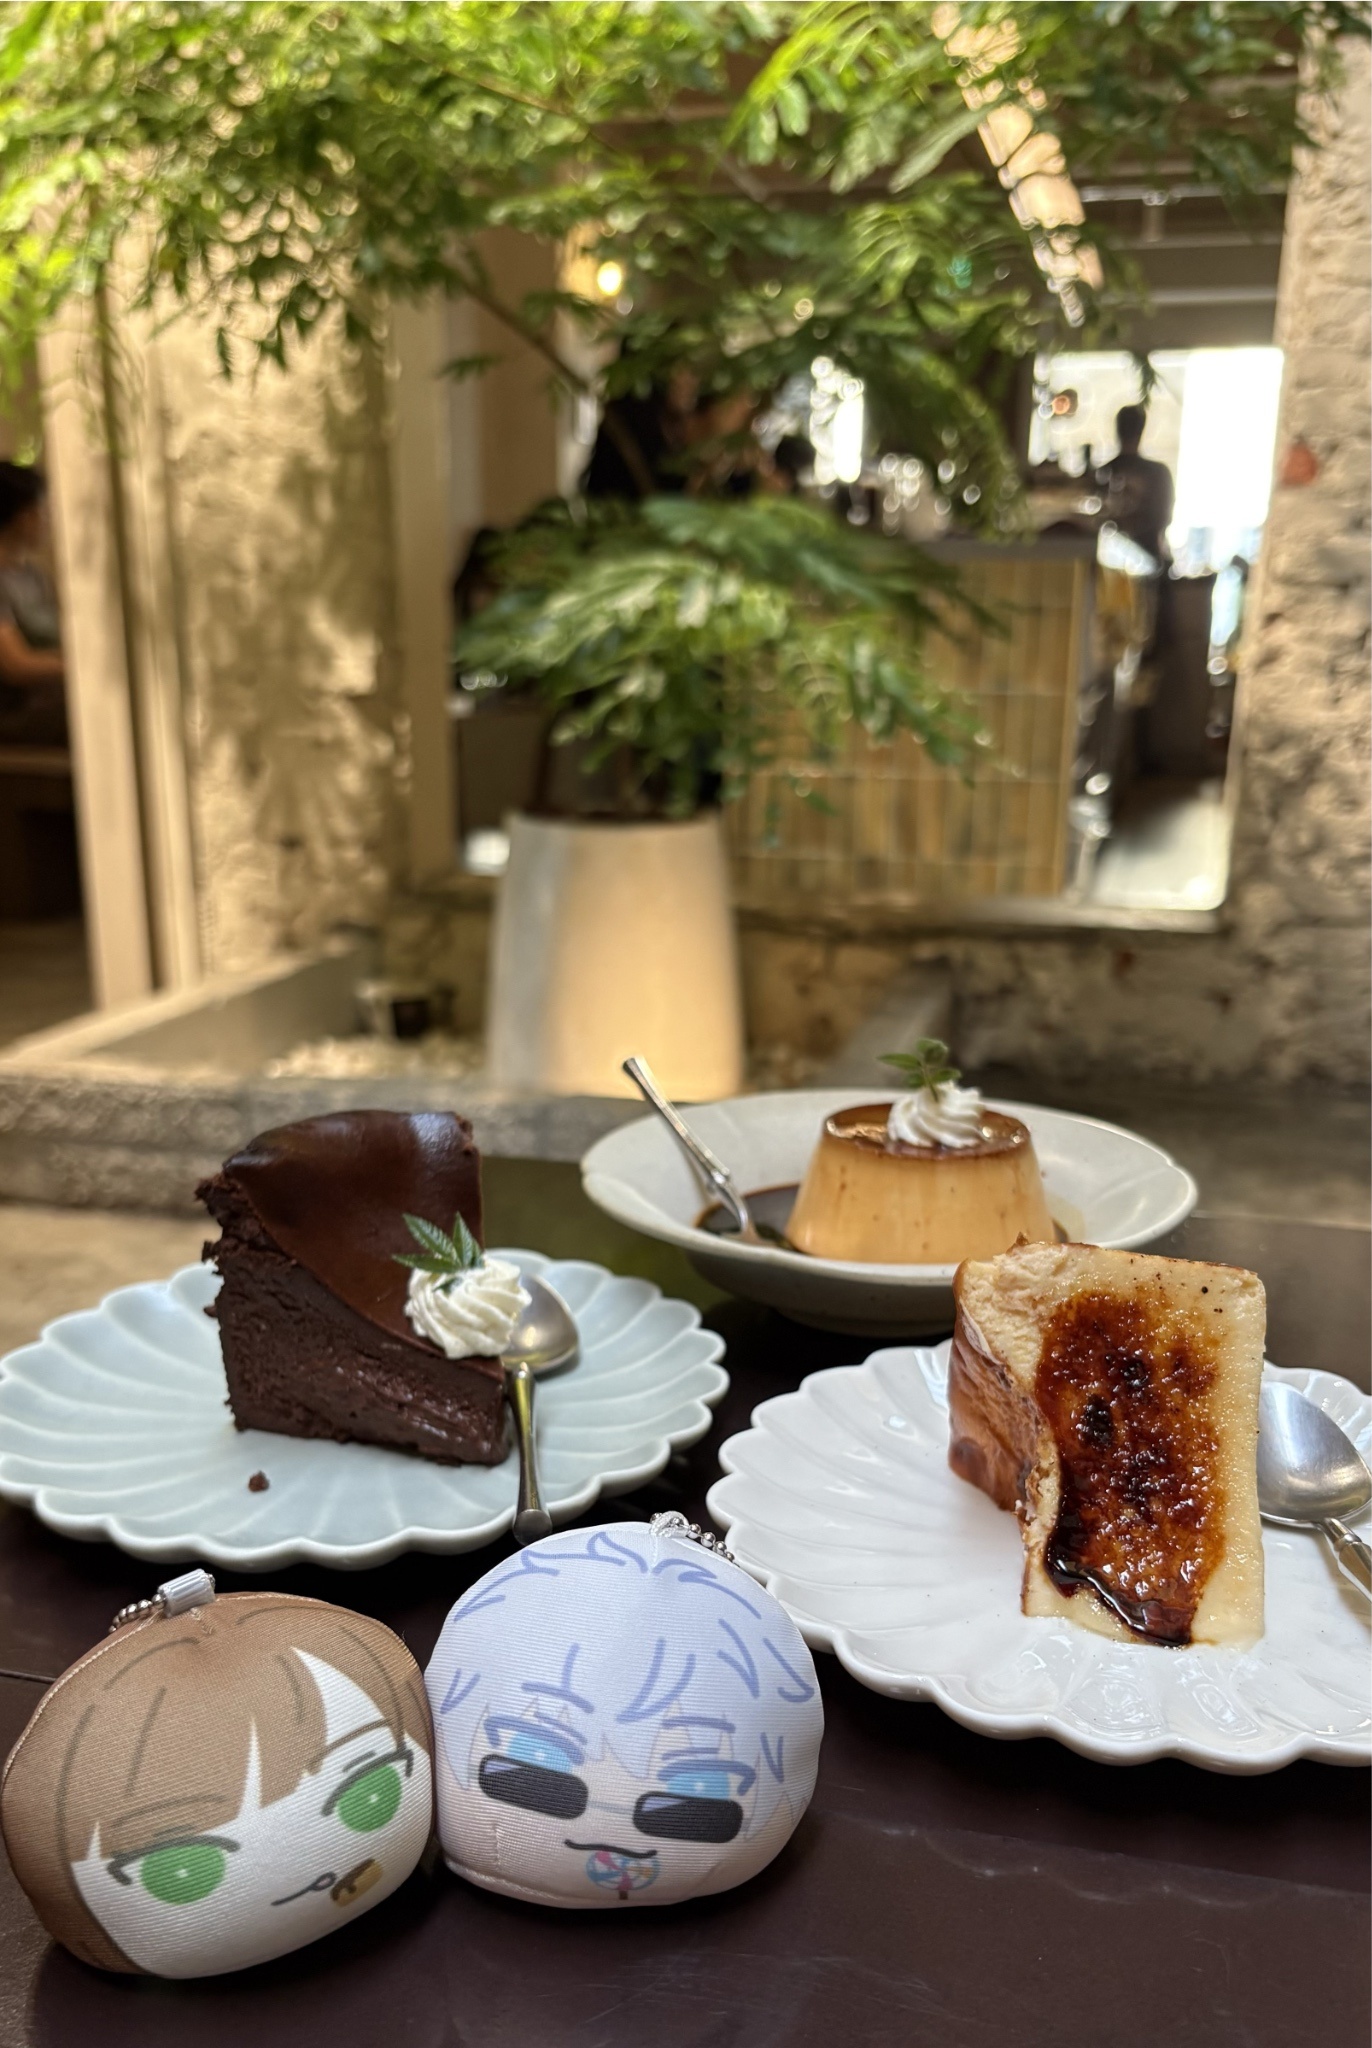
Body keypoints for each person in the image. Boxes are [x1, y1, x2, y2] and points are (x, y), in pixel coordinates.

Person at [0, 461, 67, 746]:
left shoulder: (34, 577)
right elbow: (16, 664)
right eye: (41, 510)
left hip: (48, 700)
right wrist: (76, 667)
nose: (46, 519)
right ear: (21, 516)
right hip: (18, 711)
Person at [1096, 405, 1175, 568]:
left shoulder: (1103, 473)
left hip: (1116, 559)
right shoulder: (1159, 472)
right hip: (1146, 557)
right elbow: (1164, 517)